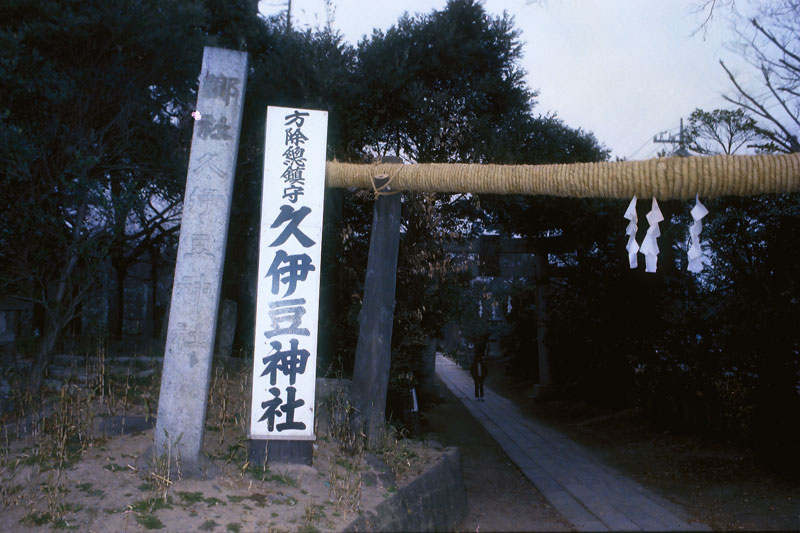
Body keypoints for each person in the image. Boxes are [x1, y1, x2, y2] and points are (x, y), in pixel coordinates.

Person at [470, 336, 489, 401]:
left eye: (479, 358)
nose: (478, 359)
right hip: (476, 376)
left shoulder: (482, 364)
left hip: (481, 377)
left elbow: (486, 371)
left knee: (481, 386)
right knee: (476, 387)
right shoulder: (474, 365)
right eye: (477, 358)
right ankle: (477, 397)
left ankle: (481, 396)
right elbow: (471, 370)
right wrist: (473, 376)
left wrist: (484, 376)